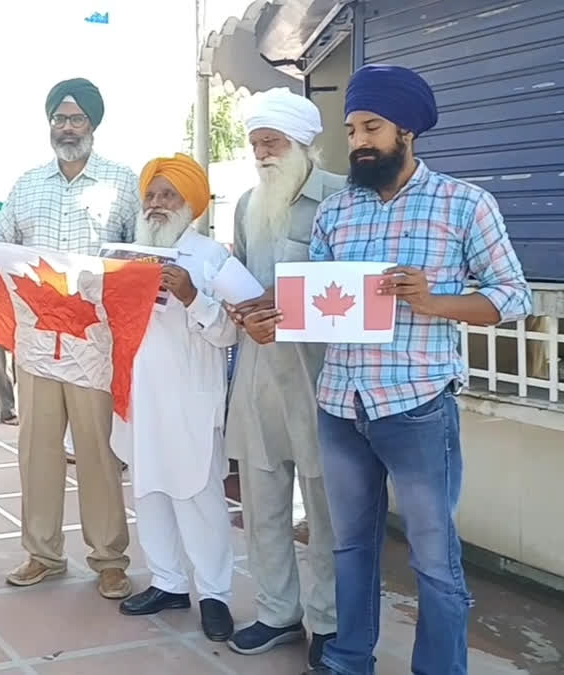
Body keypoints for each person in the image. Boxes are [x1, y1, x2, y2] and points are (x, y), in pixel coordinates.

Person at [239, 65, 532, 675]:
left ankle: (440, 668)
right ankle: (348, 656)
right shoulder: (339, 212)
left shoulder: (464, 204)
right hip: (341, 406)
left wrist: (435, 302)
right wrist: (275, 321)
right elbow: (316, 303)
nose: (359, 142)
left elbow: (513, 297)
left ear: (408, 130)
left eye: (371, 127)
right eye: (351, 130)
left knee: (432, 558)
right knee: (349, 546)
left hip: (418, 407)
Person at [0, 77, 139, 599]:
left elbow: (141, 256)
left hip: (93, 344)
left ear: (93, 123)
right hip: (35, 342)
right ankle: (42, 554)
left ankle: (109, 558)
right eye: (58, 118)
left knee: (97, 452)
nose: (66, 128)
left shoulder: (123, 183)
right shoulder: (26, 185)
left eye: (75, 119)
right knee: (37, 450)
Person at [221, 88, 341, 667]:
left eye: (272, 142)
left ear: (301, 143)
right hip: (258, 372)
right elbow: (241, 273)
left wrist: (285, 298)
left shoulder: (342, 196)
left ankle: (329, 622)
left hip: (319, 371)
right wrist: (236, 303)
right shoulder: (247, 203)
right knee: (263, 497)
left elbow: (354, 284)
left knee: (324, 504)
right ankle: (276, 612)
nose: (262, 154)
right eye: (255, 144)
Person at [112, 155, 237, 642]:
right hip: (140, 395)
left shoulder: (213, 258)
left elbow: (230, 332)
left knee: (198, 498)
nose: (157, 203)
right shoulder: (127, 254)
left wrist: (192, 297)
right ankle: (167, 582)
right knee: (150, 492)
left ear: (192, 205)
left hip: (191, 399)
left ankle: (215, 595)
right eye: (152, 194)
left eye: (169, 195)